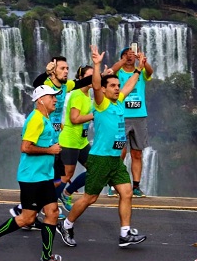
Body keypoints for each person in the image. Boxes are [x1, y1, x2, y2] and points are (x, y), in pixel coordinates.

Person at [56, 45, 147, 248]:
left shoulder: (118, 101)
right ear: (104, 90)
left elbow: (130, 85)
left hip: (115, 160)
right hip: (100, 158)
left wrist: (139, 69)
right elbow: (96, 85)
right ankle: (67, 224)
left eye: (117, 85)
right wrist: (96, 65)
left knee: (127, 192)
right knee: (90, 198)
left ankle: (125, 234)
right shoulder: (101, 103)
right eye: (113, 86)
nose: (117, 88)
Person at [0, 85, 72, 261]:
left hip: (44, 176)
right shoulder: (36, 118)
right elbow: (26, 147)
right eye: (51, 96)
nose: (55, 99)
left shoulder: (45, 118)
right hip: (31, 178)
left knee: (52, 212)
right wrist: (50, 150)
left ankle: (47, 259)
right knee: (27, 219)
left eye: (56, 96)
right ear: (40, 100)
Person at [10, 56, 92, 217]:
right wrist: (46, 73)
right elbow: (36, 85)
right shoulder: (45, 85)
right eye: (62, 68)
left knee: (58, 178)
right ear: (53, 70)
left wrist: (104, 74)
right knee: (53, 178)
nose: (66, 71)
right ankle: (30, 209)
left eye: (67, 68)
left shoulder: (66, 85)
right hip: (43, 138)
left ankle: (42, 208)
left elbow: (82, 83)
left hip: (55, 139)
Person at [108, 46, 154, 198]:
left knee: (137, 153)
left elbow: (150, 72)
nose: (130, 57)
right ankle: (113, 185)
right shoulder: (118, 73)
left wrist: (142, 60)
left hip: (140, 117)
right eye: (126, 55)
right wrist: (123, 59)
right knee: (120, 151)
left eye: (132, 55)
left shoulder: (140, 72)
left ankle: (136, 186)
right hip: (122, 116)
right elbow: (112, 70)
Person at [57, 65, 94, 213]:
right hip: (70, 140)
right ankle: (50, 205)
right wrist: (94, 115)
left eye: (94, 75)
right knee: (66, 175)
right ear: (80, 78)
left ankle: (66, 193)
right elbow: (74, 119)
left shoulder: (88, 95)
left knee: (94, 169)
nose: (92, 79)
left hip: (82, 141)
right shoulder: (77, 94)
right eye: (88, 76)